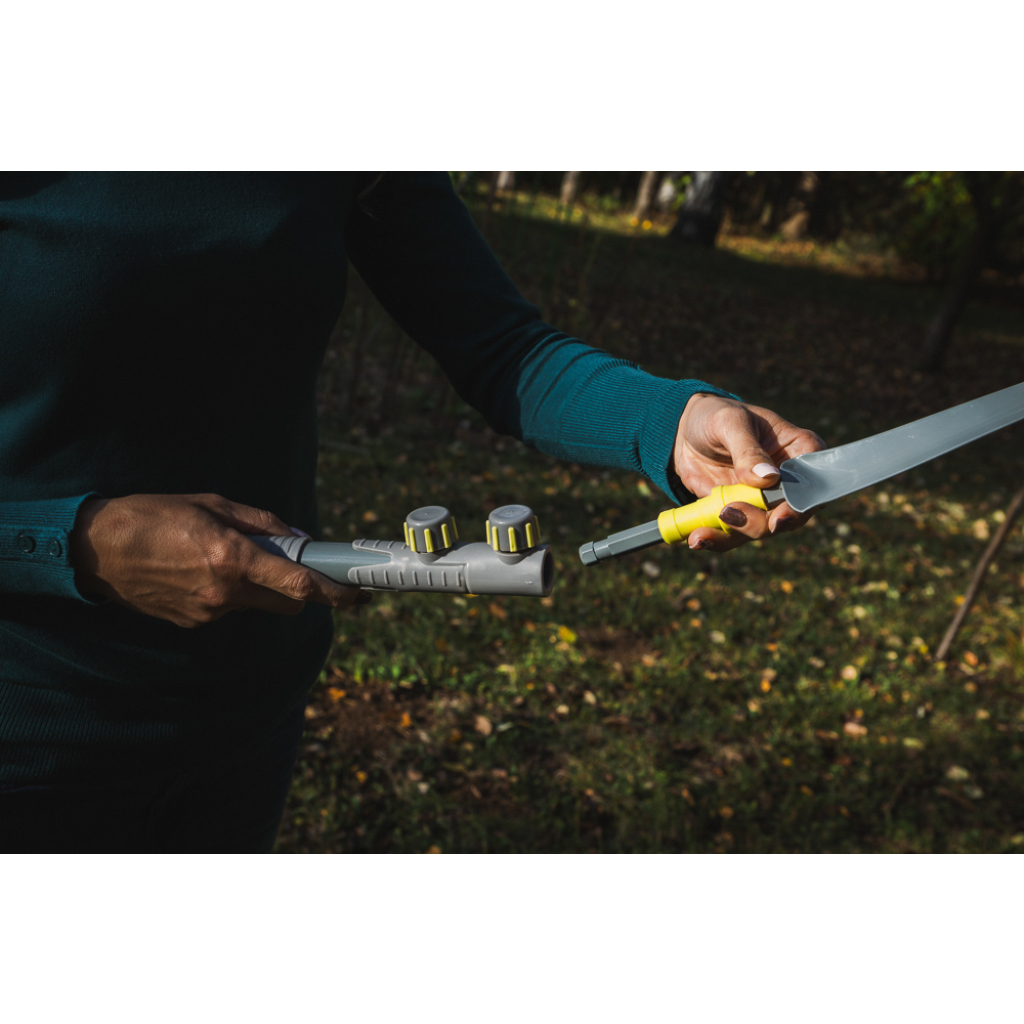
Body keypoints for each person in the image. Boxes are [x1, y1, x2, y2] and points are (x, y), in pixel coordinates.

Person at [0, 172, 822, 852]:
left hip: (244, 721)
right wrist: (77, 544)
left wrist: (672, 423)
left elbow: (501, 343)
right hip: (29, 733)